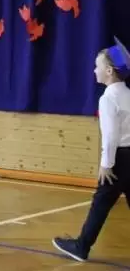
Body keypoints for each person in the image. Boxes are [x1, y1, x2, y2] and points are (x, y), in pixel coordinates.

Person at [53, 37, 130, 262]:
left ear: (109, 71)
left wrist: (106, 164)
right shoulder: (127, 94)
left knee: (100, 203)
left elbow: (111, 136)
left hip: (118, 160)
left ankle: (81, 246)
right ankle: (82, 245)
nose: (94, 70)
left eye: (97, 66)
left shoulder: (108, 99)